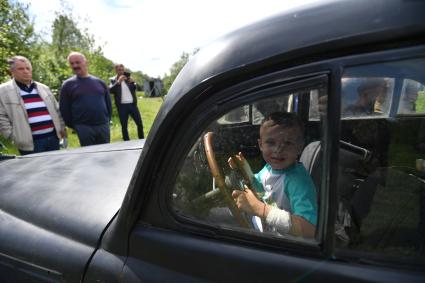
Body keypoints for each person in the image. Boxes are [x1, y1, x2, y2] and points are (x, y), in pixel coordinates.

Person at [232, 112, 317, 238]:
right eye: (271, 143)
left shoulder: (298, 181)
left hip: (283, 249)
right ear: (261, 145)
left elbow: (309, 229)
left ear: (299, 147)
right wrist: (243, 171)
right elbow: (259, 186)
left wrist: (261, 209)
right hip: (260, 229)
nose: (278, 150)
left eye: (287, 143)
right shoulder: (270, 168)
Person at [0, 56, 66, 155]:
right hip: (30, 142)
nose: (25, 71)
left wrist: (62, 129)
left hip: (53, 138)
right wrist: (12, 136)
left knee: (55, 168)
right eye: (21, 69)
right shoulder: (3, 90)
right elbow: (1, 116)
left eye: (28, 68)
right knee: (35, 170)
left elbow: (56, 110)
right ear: (12, 72)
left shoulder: (44, 88)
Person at [60, 52, 112, 146]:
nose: (75, 65)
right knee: (89, 156)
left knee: (105, 153)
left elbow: (108, 104)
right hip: (83, 127)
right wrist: (74, 125)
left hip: (102, 125)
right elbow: (64, 109)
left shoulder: (100, 82)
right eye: (72, 63)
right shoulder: (67, 85)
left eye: (77, 62)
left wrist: (107, 120)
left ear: (86, 63)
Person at [109, 63, 144, 140]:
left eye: (122, 70)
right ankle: (126, 142)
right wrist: (118, 82)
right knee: (124, 126)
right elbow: (110, 90)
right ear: (116, 70)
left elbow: (135, 88)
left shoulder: (128, 78)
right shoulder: (113, 80)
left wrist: (133, 82)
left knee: (140, 124)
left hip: (132, 105)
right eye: (119, 70)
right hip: (122, 106)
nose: (121, 71)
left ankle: (142, 140)